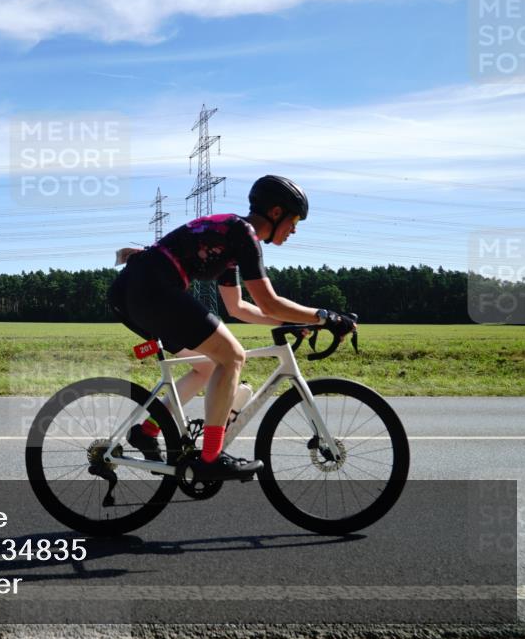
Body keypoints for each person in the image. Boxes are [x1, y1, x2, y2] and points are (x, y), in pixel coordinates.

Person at [108, 175, 356, 479]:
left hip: (137, 290)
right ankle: (211, 458)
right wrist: (325, 317)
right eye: (294, 221)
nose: (294, 229)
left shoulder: (230, 239)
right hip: (151, 288)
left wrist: (290, 320)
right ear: (276, 213)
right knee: (233, 356)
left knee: (208, 367)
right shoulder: (243, 233)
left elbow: (238, 307)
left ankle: (147, 431)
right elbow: (269, 302)